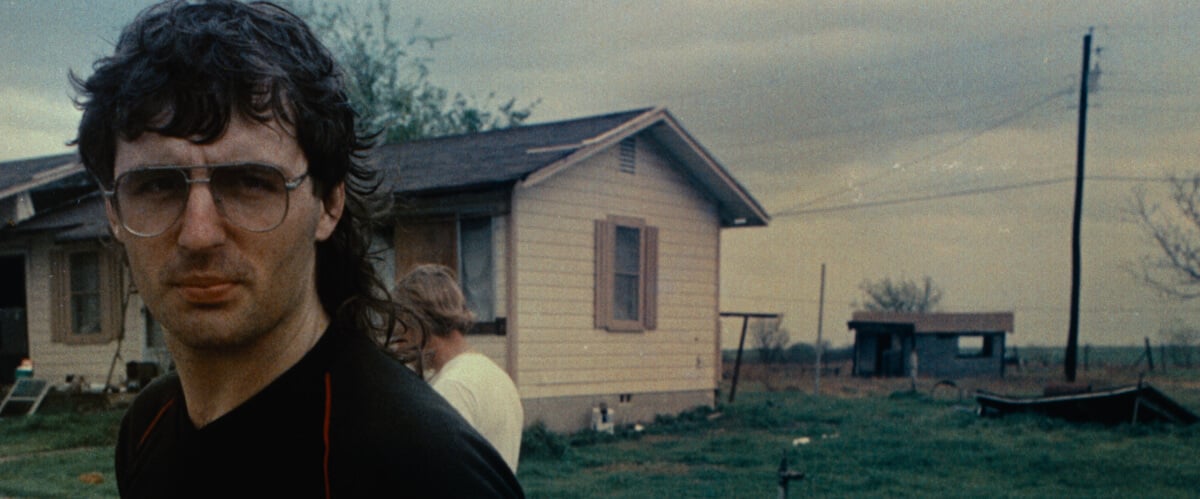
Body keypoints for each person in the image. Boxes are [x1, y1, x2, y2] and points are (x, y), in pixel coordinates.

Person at [71, 1, 522, 496]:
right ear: (113, 210)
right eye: (156, 186)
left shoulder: (424, 467)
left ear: (329, 203)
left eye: (250, 183)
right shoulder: (148, 428)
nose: (198, 234)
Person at [394, 264, 524, 472]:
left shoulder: (452, 387)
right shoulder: (493, 374)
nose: (399, 343)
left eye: (402, 328)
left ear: (419, 323)